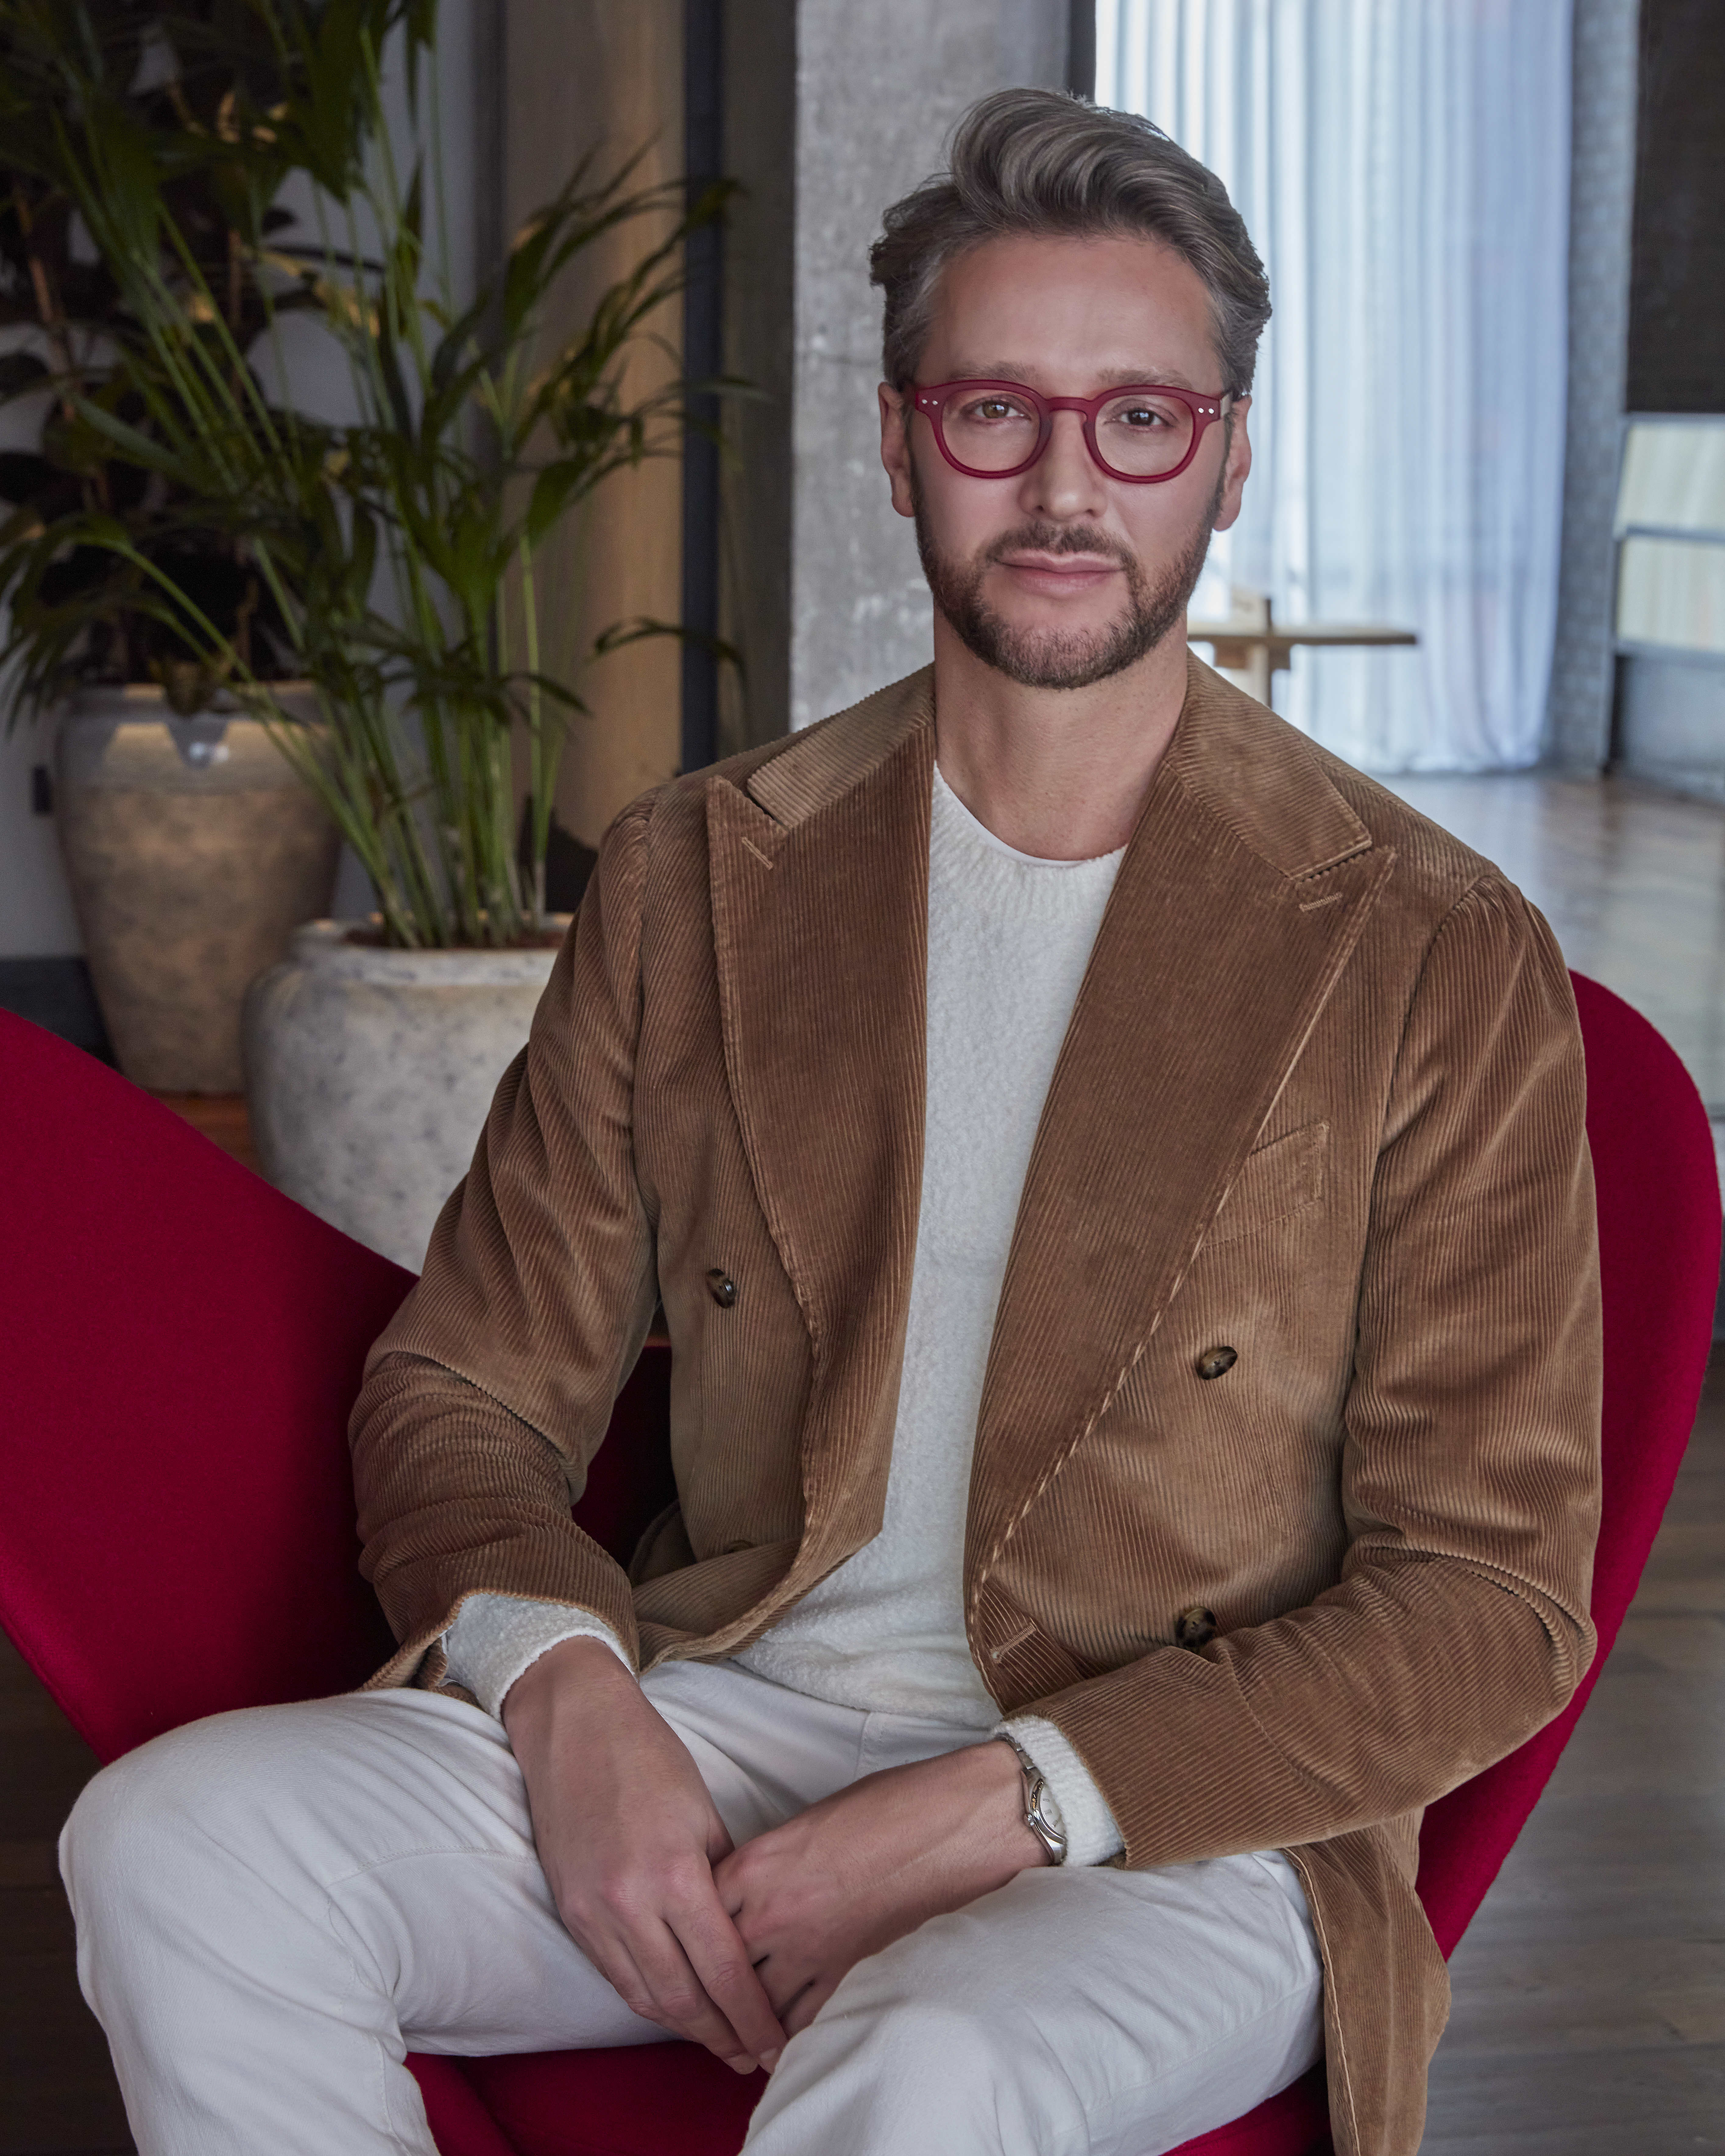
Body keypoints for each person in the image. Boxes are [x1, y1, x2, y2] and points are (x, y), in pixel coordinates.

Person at [60, 88, 1600, 2156]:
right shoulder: (704, 872)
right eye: (995, 415)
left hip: (1171, 1820)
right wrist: (561, 1685)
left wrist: (1010, 1795)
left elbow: (1488, 1593)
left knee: (932, 2068)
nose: (1067, 483)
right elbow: (461, 1387)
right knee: (177, 1844)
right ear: (898, 441)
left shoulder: (1429, 946)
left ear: (1229, 461)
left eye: (1141, 418)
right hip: (729, 1706)